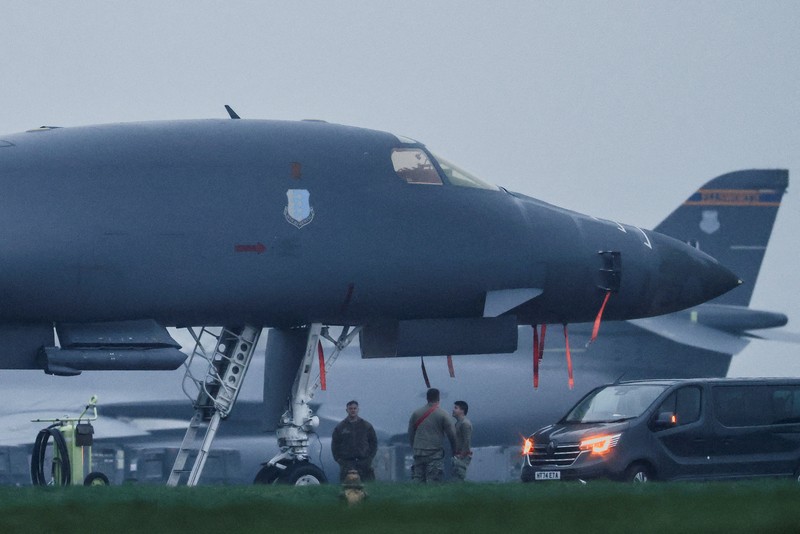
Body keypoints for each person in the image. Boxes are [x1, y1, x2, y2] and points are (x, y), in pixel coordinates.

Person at [408, 388, 456, 483]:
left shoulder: (416, 413)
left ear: (427, 398)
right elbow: (452, 434)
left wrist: (414, 447)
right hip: (434, 453)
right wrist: (454, 450)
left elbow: (411, 433)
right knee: (433, 481)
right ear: (439, 398)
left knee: (418, 479)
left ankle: (416, 497)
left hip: (418, 452)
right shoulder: (443, 414)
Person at [331, 400, 378, 482]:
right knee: (347, 489)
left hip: (364, 463)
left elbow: (373, 442)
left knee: (368, 487)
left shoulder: (366, 426)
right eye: (350, 408)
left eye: (354, 408)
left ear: (358, 410)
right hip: (347, 464)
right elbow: (335, 445)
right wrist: (339, 460)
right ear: (347, 410)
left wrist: (369, 458)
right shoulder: (340, 427)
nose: (353, 410)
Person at [452, 400, 473, 481]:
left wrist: (461, 455)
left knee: (459, 477)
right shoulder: (458, 423)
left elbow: (466, 440)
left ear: (462, 410)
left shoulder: (465, 424)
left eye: (456, 408)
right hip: (458, 455)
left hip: (462, 456)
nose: (453, 410)